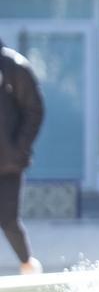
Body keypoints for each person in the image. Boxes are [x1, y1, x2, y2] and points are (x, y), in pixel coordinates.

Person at [0, 39, 44, 274]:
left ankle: (27, 264)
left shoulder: (13, 66)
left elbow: (34, 110)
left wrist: (19, 148)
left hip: (7, 163)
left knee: (7, 220)